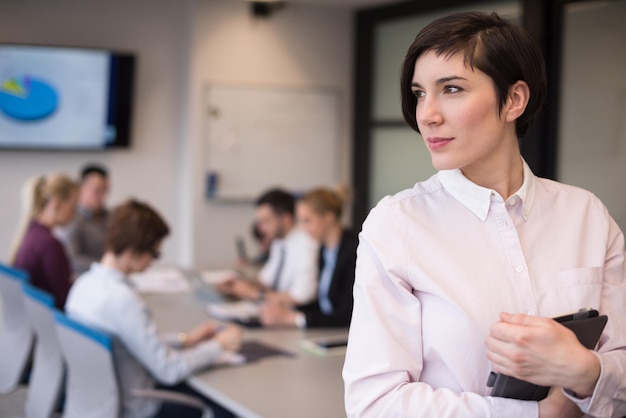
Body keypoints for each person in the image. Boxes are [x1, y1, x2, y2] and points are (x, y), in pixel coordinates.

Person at [343, 11, 626, 418]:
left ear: (513, 99)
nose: (427, 114)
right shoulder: (397, 225)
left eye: (452, 89)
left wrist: (584, 371)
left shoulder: (587, 216)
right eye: (420, 93)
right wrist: (538, 415)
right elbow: (375, 404)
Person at [65, 199, 242, 418]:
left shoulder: (82, 286)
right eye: (154, 254)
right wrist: (218, 345)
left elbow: (129, 343)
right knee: (226, 410)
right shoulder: (124, 302)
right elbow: (168, 371)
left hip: (98, 405)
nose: (153, 262)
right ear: (131, 253)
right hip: (138, 408)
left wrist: (187, 339)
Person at [260, 187, 358, 328]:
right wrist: (285, 312)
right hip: (327, 331)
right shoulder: (324, 250)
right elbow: (324, 305)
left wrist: (294, 318)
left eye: (307, 221)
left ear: (329, 218)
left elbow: (346, 315)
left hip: (344, 334)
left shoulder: (353, 251)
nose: (303, 228)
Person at [218, 188, 318, 306]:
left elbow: (301, 297)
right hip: (271, 310)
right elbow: (265, 281)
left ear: (286, 219)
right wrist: (239, 284)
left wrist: (255, 294)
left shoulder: (306, 246)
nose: (261, 228)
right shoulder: (279, 242)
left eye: (266, 221)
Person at [10, 173, 79, 310]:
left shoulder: (30, 234)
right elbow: (66, 300)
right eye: (73, 205)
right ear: (56, 203)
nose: (75, 213)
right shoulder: (50, 244)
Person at [55, 163, 110, 275]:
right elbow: (70, 260)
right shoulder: (71, 218)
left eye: (106, 190)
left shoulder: (109, 216)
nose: (102, 196)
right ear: (82, 189)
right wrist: (106, 264)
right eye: (97, 191)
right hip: (85, 279)